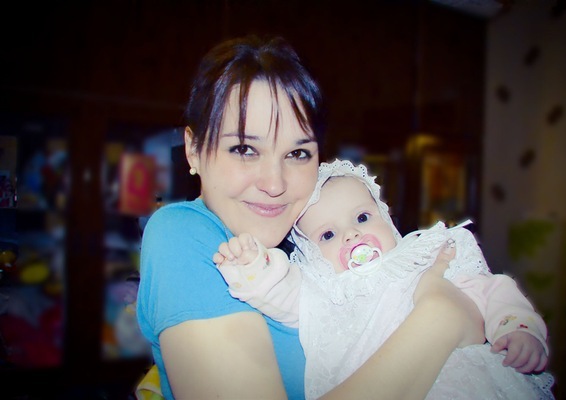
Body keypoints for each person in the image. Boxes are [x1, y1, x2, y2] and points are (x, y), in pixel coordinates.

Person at [136, 34, 485, 400]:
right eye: (245, 149)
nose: (275, 184)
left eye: (297, 154)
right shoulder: (183, 235)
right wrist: (440, 318)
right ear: (193, 150)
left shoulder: (312, 242)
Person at [215, 159, 555, 399]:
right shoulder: (321, 288)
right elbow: (278, 289)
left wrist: (517, 329)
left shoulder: (425, 257)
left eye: (362, 217)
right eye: (328, 235)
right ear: (309, 254)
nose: (351, 234)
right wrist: (251, 264)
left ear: (386, 217)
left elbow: (492, 290)